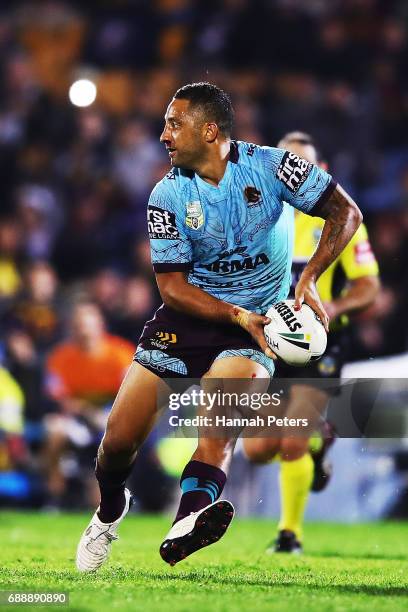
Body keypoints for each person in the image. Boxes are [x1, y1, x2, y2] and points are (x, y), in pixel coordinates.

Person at [76, 82, 362, 572]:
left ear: (209, 131)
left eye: (174, 123)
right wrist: (234, 313)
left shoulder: (274, 167)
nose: (164, 135)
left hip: (255, 327)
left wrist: (309, 279)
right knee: (117, 442)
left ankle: (188, 521)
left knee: (220, 424)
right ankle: (109, 509)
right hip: (189, 317)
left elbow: (345, 212)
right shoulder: (166, 194)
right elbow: (171, 287)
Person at [243, 131, 380, 553]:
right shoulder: (257, 219)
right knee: (259, 449)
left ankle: (289, 535)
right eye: (286, 166)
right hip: (269, 344)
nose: (293, 175)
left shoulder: (340, 222)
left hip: (320, 346)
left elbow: (369, 288)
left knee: (291, 439)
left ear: (320, 173)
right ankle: (320, 445)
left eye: (301, 166)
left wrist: (332, 312)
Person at [43, 301, 135, 507]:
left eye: (88, 325)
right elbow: (59, 397)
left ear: (99, 326)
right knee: (54, 429)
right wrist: (84, 410)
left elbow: (131, 394)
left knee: (110, 433)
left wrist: (106, 415)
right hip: (77, 418)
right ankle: (54, 493)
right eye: (79, 326)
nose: (84, 331)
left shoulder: (120, 355)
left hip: (110, 416)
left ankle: (108, 498)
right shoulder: (61, 358)